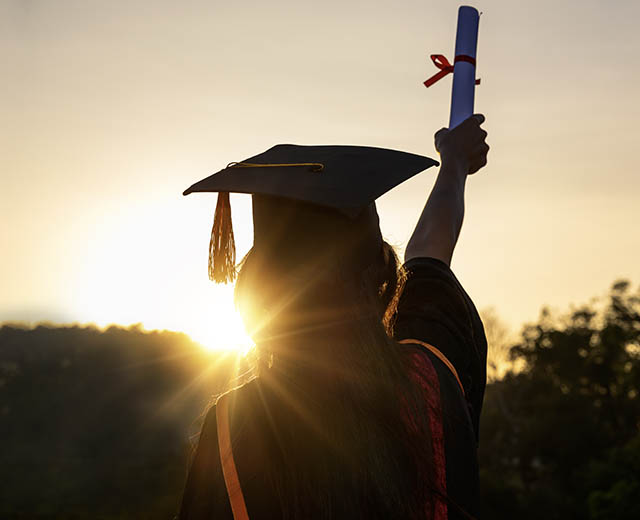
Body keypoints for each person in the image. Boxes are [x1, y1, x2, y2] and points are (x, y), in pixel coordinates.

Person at [178, 114, 489, 519]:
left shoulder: (231, 430)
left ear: (258, 292)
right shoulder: (428, 377)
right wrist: (453, 164)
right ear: (381, 277)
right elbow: (430, 256)